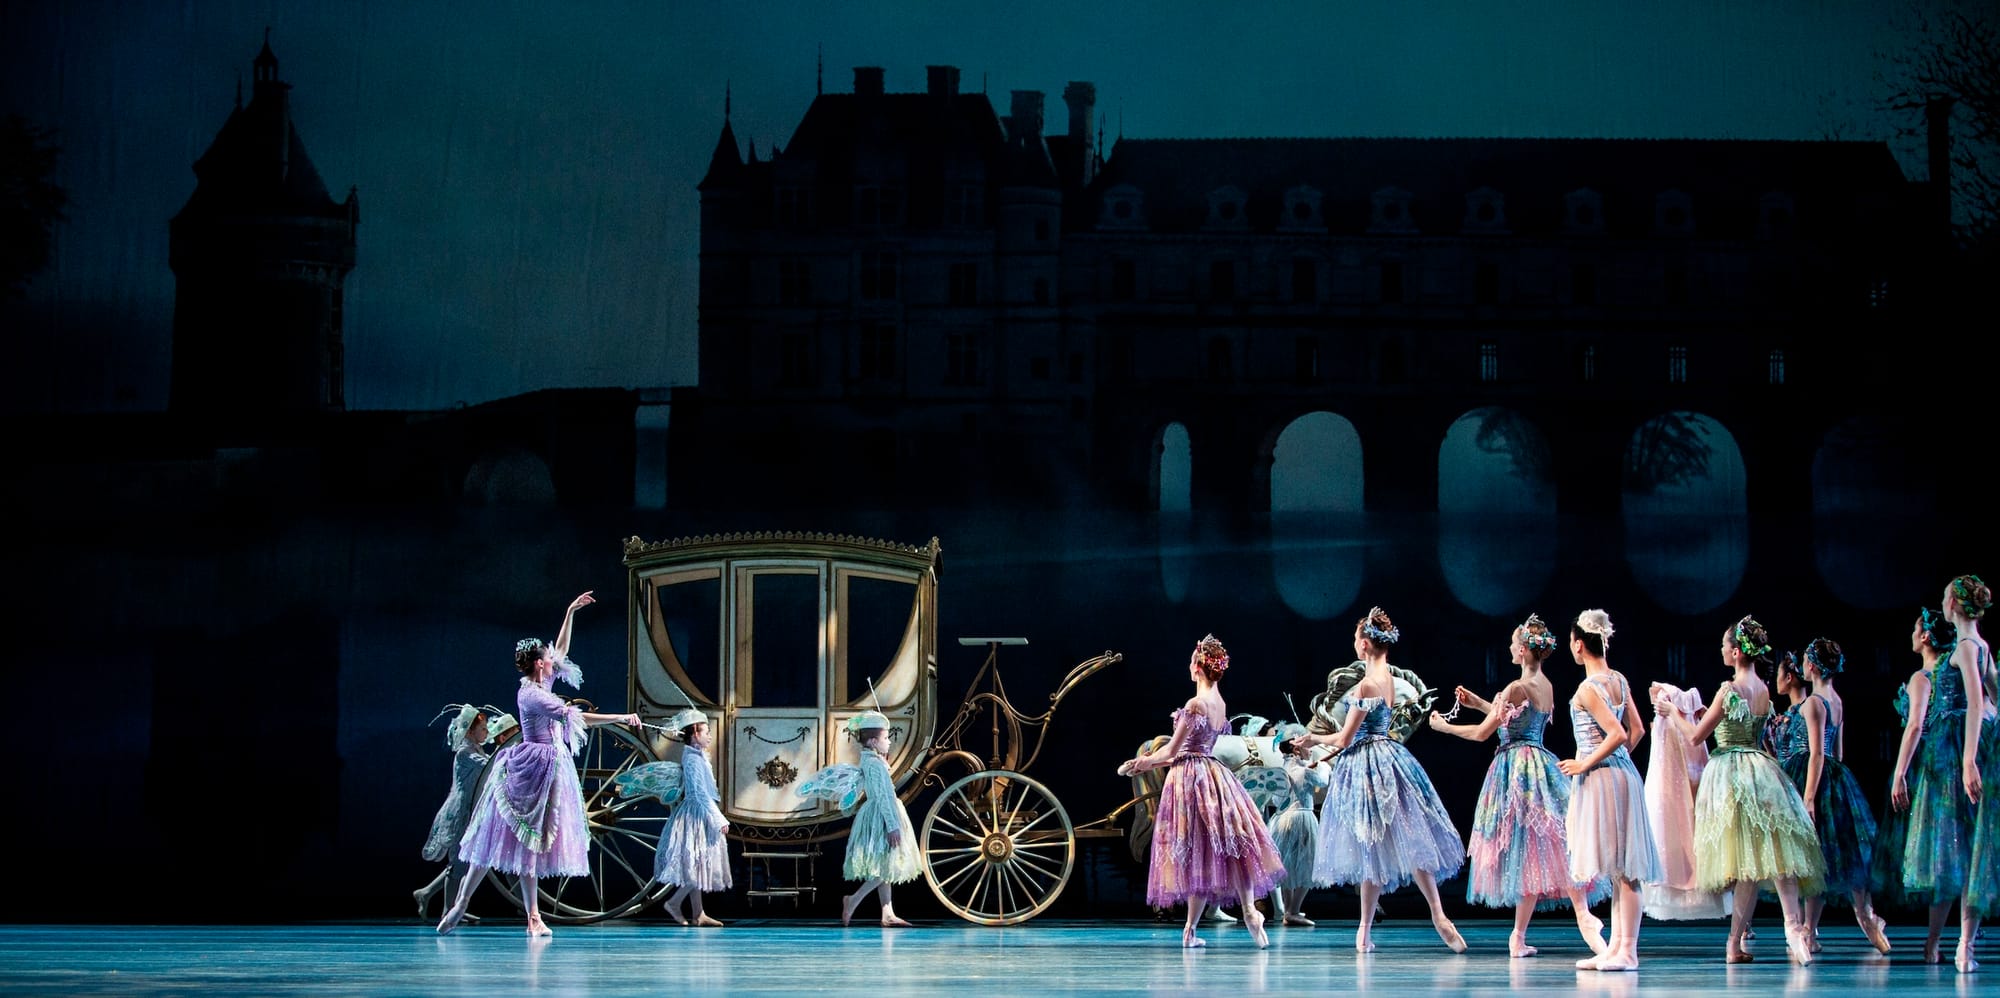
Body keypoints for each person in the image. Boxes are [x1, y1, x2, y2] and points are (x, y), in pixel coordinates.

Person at [437, 591, 641, 936]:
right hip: (531, 768)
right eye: (547, 657)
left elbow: (560, 650)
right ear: (537, 664)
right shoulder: (532, 694)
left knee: (531, 844)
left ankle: (533, 917)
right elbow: (577, 718)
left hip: (550, 768)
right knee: (498, 838)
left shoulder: (542, 680)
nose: (553, 659)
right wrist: (621, 717)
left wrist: (570, 612)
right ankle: (460, 903)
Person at [1430, 612, 1609, 959]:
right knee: (1541, 847)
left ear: (1525, 650)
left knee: (1534, 848)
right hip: (1539, 761)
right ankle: (1520, 936)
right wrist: (1480, 703)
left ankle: (1573, 917)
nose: (1511, 648)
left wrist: (1444, 728)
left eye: (1514, 644)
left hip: (1516, 769)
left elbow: (1486, 732)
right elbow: (1512, 719)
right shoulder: (1545, 685)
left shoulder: (1516, 687)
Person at [1292, 608, 1466, 954]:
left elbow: (1343, 738)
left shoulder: (1368, 683)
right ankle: (1424, 916)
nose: (1355, 644)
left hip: (1368, 765)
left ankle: (1373, 928)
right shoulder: (1387, 677)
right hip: (1388, 757)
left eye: (1357, 639)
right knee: (1400, 839)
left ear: (1366, 643)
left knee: (1371, 846)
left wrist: (1311, 740)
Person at [1661, 615, 1823, 966]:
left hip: (1731, 775)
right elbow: (1747, 727)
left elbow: (1694, 737)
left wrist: (1672, 711)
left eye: (1724, 646)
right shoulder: (1764, 689)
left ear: (1735, 652)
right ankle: (1778, 931)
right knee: (1769, 856)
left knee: (1751, 860)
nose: (1721, 650)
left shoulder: (1729, 689)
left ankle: (1761, 935)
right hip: (1761, 770)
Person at [1118, 635, 1286, 948]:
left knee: (1198, 849)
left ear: (1197, 666)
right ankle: (1215, 922)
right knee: (1221, 847)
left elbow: (1169, 752)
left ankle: (1210, 924)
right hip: (1214, 775)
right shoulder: (1220, 704)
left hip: (1190, 777)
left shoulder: (1196, 704)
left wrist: (1140, 763)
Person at [1558, 609, 1661, 972]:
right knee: (1618, 867)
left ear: (1579, 644)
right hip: (1619, 775)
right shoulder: (1618, 679)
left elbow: (1619, 733)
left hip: (1604, 777)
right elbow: (1638, 731)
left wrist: (1587, 763)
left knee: (1626, 868)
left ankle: (1628, 951)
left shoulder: (1588, 688)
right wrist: (1617, 762)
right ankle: (1616, 948)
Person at [1774, 638, 1891, 953]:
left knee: (1815, 860)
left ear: (1811, 667)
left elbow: (1816, 754)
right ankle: (1822, 926)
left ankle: (1811, 930)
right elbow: (1837, 751)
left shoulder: (1813, 702)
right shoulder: (1836, 700)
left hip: (1815, 778)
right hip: (1837, 778)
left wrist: (1809, 797)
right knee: (1826, 858)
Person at [1892, 600, 1984, 969]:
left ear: (1926, 636)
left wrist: (1900, 772)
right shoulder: (1960, 663)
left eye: (1916, 631)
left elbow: (1916, 727)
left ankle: (1936, 942)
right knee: (1966, 854)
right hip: (1960, 754)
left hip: (1936, 767)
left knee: (1946, 857)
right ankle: (1962, 943)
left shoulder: (1924, 677)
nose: (1912, 637)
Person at [799, 711, 924, 927]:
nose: (889, 741)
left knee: (885, 861)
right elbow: (885, 795)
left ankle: (887, 912)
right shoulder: (875, 764)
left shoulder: (873, 760)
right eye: (886, 738)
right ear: (874, 741)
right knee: (886, 865)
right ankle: (854, 899)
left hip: (881, 812)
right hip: (883, 815)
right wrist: (893, 825)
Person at [1946, 575, 1996, 972]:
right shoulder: (1982, 645)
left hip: (1977, 749)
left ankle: (1965, 945)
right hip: (1989, 744)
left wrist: (1968, 759)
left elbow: (1979, 703)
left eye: (1946, 596)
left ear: (1955, 606)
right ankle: (1967, 943)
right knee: (1979, 846)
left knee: (1977, 847)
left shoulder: (1966, 646)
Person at [413, 704, 496, 921]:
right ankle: (447, 910)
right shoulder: (465, 753)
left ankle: (427, 893)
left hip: (472, 808)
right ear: (470, 731)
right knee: (458, 862)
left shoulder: (476, 749)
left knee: (463, 861)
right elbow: (489, 767)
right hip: (461, 811)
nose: (486, 733)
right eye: (483, 729)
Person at [653, 707, 731, 926]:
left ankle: (698, 914)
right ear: (695, 734)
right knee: (697, 865)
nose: (709, 736)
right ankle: (674, 902)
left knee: (699, 863)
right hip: (696, 816)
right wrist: (718, 819)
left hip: (700, 813)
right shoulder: (693, 759)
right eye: (706, 731)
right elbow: (699, 793)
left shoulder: (698, 756)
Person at [1262, 721, 1330, 927]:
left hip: (1282, 819)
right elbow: (1323, 782)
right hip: (1301, 817)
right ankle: (1292, 910)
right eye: (1308, 746)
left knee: (1288, 865)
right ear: (1296, 747)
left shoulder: (1280, 771)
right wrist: (1324, 766)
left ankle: (1289, 910)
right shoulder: (1304, 771)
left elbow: (1274, 800)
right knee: (1307, 865)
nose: (1311, 751)